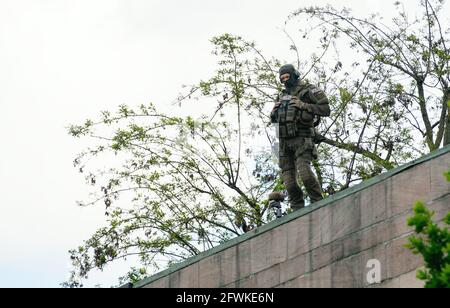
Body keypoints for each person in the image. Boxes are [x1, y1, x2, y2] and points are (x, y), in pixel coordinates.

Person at [270, 64, 331, 211]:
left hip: (303, 139)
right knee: (289, 183)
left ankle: (318, 203)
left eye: (287, 76)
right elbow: (275, 120)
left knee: (305, 174)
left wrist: (303, 105)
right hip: (284, 143)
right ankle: (297, 211)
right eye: (282, 78)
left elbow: (325, 109)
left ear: (294, 74)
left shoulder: (308, 90)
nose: (285, 80)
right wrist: (273, 112)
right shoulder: (281, 95)